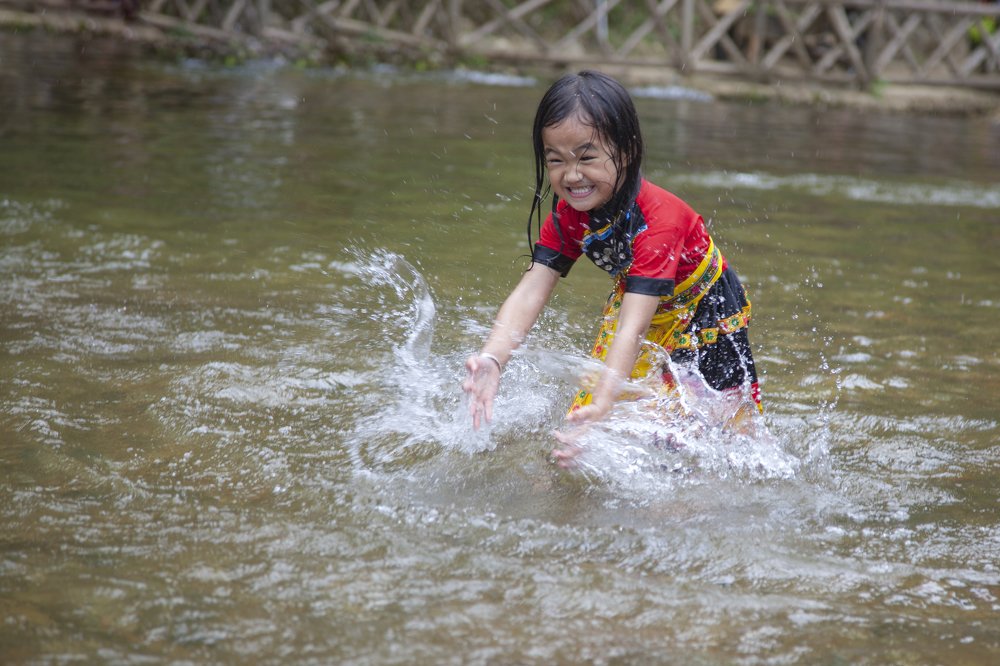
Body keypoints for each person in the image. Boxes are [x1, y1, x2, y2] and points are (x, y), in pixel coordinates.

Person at [462, 70, 762, 467]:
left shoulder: (660, 221)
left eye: (587, 157)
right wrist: (493, 359)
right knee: (579, 435)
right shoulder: (569, 216)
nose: (571, 175)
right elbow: (532, 288)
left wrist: (606, 401)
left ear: (626, 150)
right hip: (636, 299)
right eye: (556, 160)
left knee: (715, 434)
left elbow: (632, 328)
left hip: (705, 311)